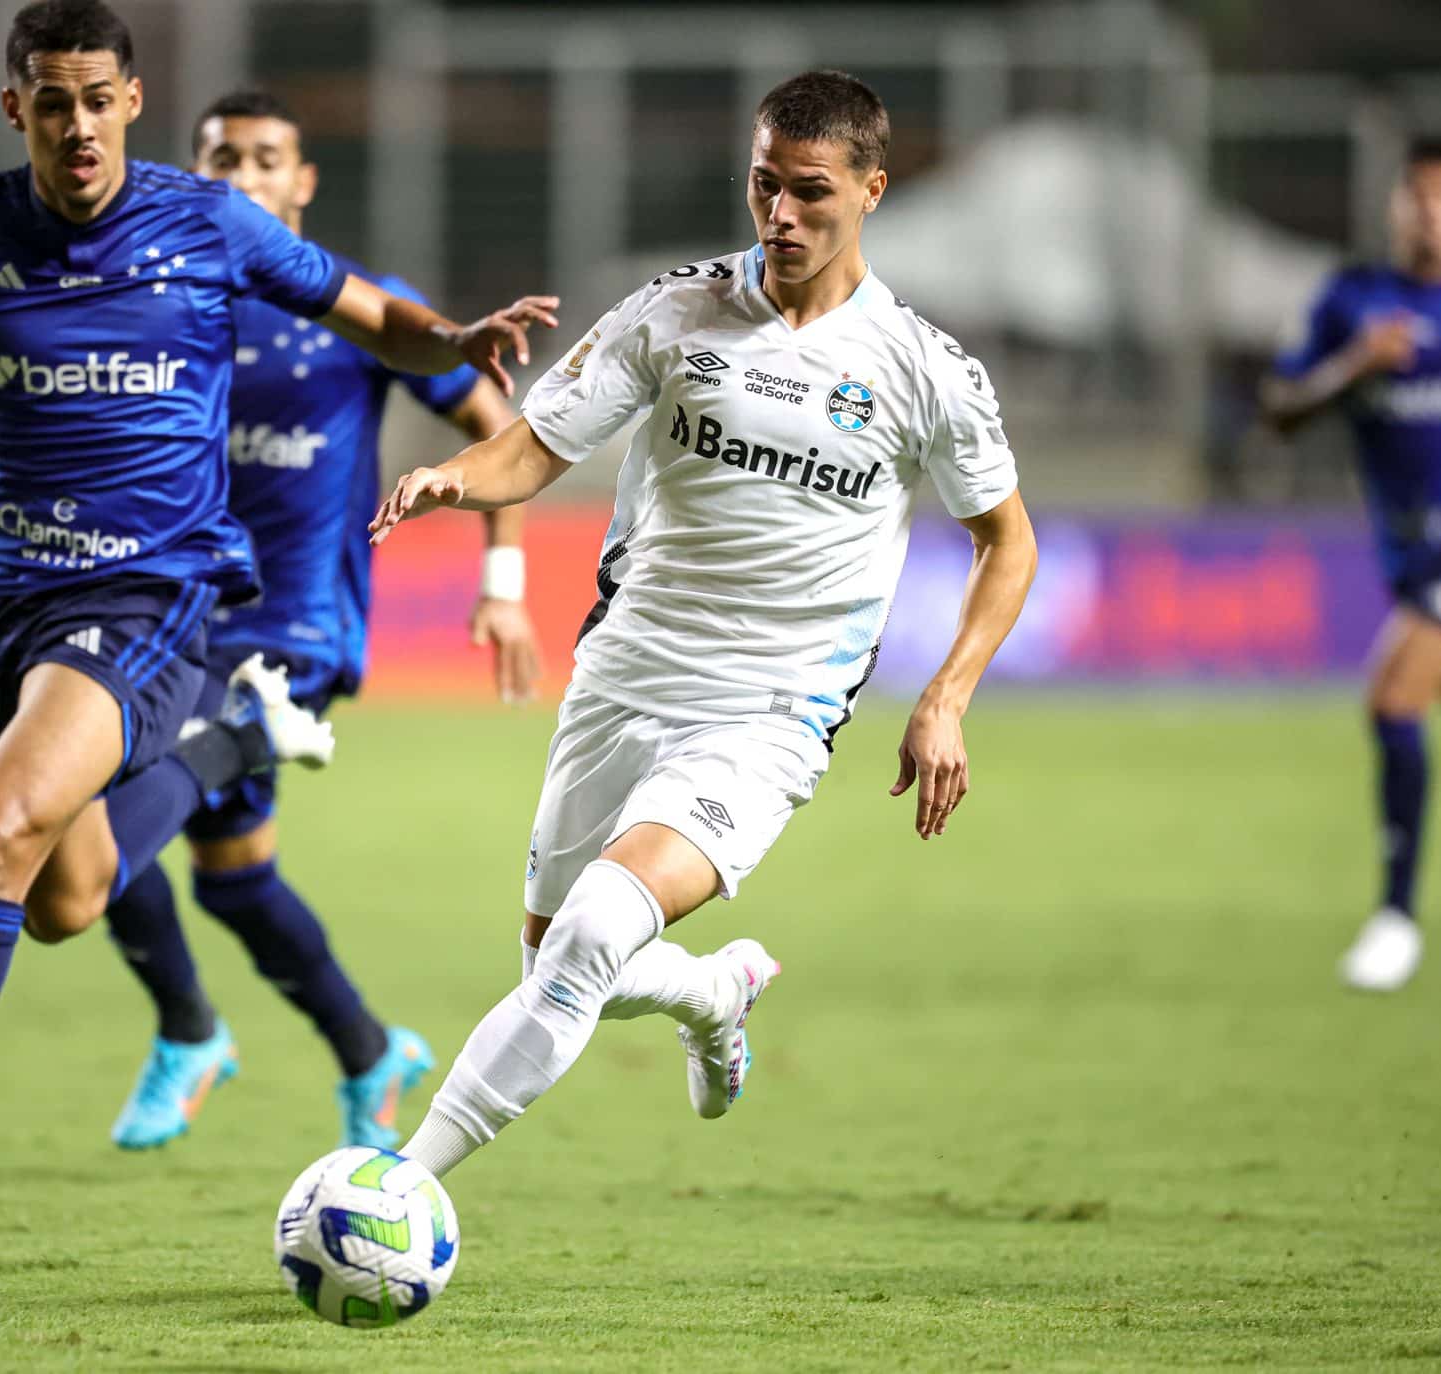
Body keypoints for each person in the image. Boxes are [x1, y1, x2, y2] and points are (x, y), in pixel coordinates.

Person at [0, 0, 554, 1253]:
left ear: (132, 103)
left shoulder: (206, 224)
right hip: (3, 599)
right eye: (54, 103)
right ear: (17, 109)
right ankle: (231, 754)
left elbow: (371, 314)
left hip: (150, 592)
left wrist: (453, 341)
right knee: (63, 894)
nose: (79, 126)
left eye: (99, 100)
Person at [366, 70, 1037, 1180]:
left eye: (811, 191)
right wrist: (454, 478)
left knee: (589, 940)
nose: (781, 214)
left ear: (871, 190)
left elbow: (1005, 544)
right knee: (554, 962)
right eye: (764, 184)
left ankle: (396, 1187)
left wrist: (946, 697)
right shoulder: (673, 311)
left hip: (768, 711)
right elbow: (533, 447)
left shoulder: (924, 370)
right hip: (623, 678)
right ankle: (712, 991)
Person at [99, 90, 543, 1153]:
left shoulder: (360, 310)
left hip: (298, 632)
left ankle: (187, 1031)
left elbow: (499, 425)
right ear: (198, 177)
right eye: (223, 160)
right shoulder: (171, 301)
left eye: (266, 159)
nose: (244, 176)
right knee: (234, 881)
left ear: (301, 182)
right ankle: (366, 1050)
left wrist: (504, 580)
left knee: (94, 807)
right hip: (179, 619)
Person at [1261, 142, 1441, 992]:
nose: (1428, 211)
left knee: (1394, 699)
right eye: (1413, 195)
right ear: (1392, 211)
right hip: (1411, 554)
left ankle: (1396, 920)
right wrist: (1353, 365)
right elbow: (1279, 408)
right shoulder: (1353, 301)